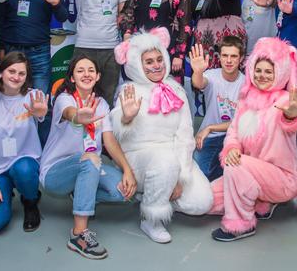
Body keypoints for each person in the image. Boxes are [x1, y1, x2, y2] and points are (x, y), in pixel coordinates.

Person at [111, 28, 212, 243]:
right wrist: (127, 117)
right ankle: (151, 219)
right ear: (137, 64)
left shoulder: (176, 90)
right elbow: (117, 132)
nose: (156, 65)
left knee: (202, 202)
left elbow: (185, 136)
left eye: (159, 59)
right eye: (149, 62)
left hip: (172, 158)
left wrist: (179, 177)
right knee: (165, 162)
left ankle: (155, 193)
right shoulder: (129, 91)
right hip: (139, 159)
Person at [207, 36, 297, 241]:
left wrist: (291, 116)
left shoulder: (285, 100)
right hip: (249, 172)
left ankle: (240, 224)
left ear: (279, 73)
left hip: (282, 178)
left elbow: (290, 123)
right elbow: (233, 131)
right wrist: (232, 147)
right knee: (205, 200)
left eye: (269, 71)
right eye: (258, 70)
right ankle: (261, 202)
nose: (262, 76)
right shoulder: (246, 99)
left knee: (235, 164)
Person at [40, 55, 137, 259]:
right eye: (80, 70)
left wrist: (128, 170)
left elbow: (110, 141)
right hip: (56, 173)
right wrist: (78, 116)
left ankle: (81, 193)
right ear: (72, 78)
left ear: (98, 76)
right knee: (91, 159)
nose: (86, 74)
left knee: (122, 191)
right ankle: (78, 234)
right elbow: (70, 113)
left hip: (88, 165)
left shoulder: (101, 105)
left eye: (91, 70)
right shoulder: (64, 99)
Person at [0, 0, 68, 144]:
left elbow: (63, 16)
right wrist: (1, 49)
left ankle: (42, 152)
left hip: (39, 51)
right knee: (11, 102)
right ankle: (14, 148)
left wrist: (56, 3)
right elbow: (2, 19)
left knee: (41, 104)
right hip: (12, 52)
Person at [0, 52, 45, 233]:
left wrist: (39, 113)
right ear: (1, 72)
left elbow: (41, 113)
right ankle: (5, 189)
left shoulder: (34, 97)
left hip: (24, 163)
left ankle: (30, 200)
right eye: (12, 71)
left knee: (24, 169)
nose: (16, 77)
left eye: (22, 73)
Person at [69, 0, 128, 107]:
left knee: (108, 97)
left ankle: (105, 125)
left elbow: (122, 16)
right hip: (85, 46)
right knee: (81, 97)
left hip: (111, 48)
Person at [119, 0, 191, 83]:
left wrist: (179, 55)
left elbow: (185, 25)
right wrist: (127, 35)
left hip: (169, 52)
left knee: (169, 91)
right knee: (141, 91)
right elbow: (127, 14)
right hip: (140, 52)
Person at [189, 36, 245, 181]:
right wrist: (198, 72)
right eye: (225, 55)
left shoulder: (246, 84)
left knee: (233, 175)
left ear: (241, 58)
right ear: (219, 57)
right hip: (209, 138)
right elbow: (198, 83)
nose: (228, 60)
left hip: (234, 138)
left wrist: (210, 127)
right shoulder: (212, 76)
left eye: (234, 56)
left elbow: (240, 122)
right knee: (198, 174)